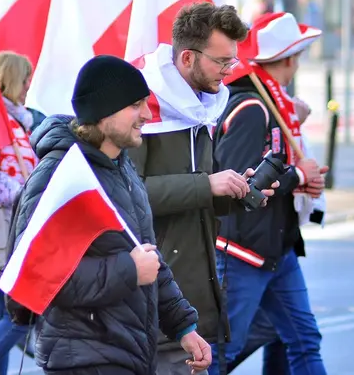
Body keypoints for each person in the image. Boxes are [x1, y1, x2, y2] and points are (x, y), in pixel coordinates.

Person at [11, 55, 211, 375]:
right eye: (135, 105)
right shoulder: (59, 176)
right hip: (84, 360)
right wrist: (128, 270)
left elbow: (147, 256)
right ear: (104, 113)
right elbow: (36, 277)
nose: (147, 115)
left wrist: (184, 326)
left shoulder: (122, 166)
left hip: (129, 353)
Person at [127, 2, 270, 375]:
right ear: (188, 57)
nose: (229, 71)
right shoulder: (142, 111)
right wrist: (207, 185)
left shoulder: (201, 106)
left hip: (194, 296)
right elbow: (127, 196)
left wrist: (235, 191)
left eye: (231, 61)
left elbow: (200, 199)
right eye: (222, 62)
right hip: (156, 298)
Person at [210, 12, 328, 375]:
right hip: (244, 251)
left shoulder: (274, 104)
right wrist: (296, 175)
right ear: (291, 59)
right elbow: (239, 182)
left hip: (277, 247)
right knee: (218, 353)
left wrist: (298, 176)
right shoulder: (251, 107)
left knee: (305, 340)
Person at [0, 52, 38, 375]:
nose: (29, 85)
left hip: (12, 230)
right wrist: (26, 190)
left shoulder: (17, 120)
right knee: (22, 315)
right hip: (1, 232)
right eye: (25, 78)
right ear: (12, 78)